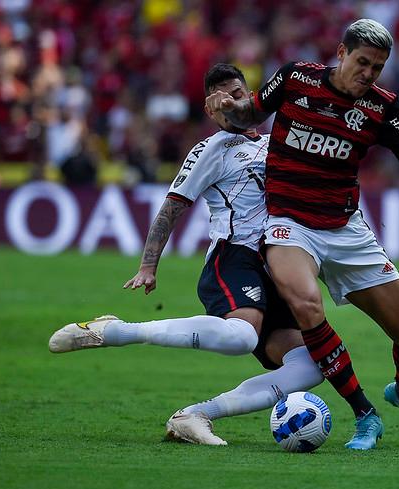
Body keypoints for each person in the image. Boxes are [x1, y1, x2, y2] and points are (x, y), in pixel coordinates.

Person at [206, 19, 399, 450]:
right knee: (305, 304)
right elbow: (252, 112)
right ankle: (365, 415)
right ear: (341, 53)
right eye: (362, 62)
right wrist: (225, 107)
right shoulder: (295, 77)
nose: (368, 73)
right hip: (290, 224)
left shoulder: (383, 108)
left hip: (346, 230)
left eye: (378, 66)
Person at [49, 64, 323, 445]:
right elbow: (173, 206)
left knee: (311, 365)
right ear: (212, 110)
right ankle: (117, 331)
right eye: (222, 98)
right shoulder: (211, 149)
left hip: (278, 265)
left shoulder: (272, 141)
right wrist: (148, 264)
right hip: (235, 257)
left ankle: (196, 415)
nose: (233, 101)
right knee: (242, 337)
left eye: (239, 93)